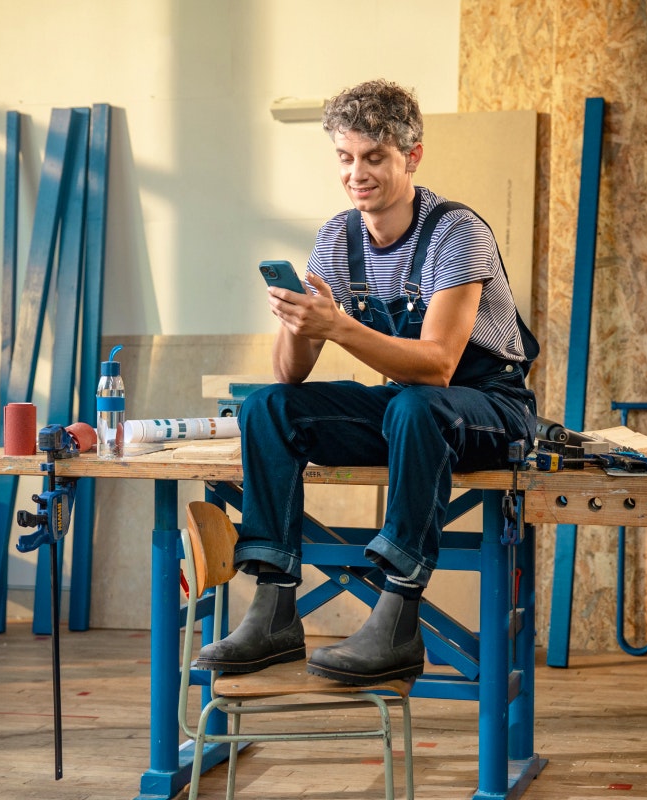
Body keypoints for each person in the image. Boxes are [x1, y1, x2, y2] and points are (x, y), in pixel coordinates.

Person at [196, 78, 537, 686]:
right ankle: (274, 611)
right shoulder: (336, 236)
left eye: (374, 157)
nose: (358, 173)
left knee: (415, 406)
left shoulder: (457, 233)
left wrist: (340, 326)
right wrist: (301, 320)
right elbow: (290, 374)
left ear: (412, 156)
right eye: (346, 157)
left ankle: (399, 620)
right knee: (270, 408)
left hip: (490, 408)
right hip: (414, 410)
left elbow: (437, 365)